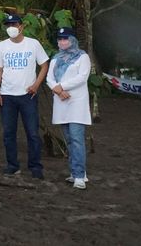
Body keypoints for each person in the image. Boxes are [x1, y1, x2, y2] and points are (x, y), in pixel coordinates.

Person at [0, 14, 50, 179]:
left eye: (14, 24)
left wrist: (36, 85)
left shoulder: (33, 44)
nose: (11, 27)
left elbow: (44, 65)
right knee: (8, 133)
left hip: (28, 96)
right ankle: (12, 165)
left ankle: (35, 166)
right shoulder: (2, 46)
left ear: (21, 26)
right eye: (8, 24)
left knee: (32, 132)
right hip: (7, 96)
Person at [45, 27, 91, 189]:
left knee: (77, 139)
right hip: (61, 102)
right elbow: (49, 78)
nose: (62, 42)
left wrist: (61, 87)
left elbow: (82, 77)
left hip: (76, 102)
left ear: (72, 40)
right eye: (60, 39)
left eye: (66, 38)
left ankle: (79, 175)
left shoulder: (82, 57)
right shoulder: (56, 58)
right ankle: (76, 172)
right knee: (69, 140)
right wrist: (58, 90)